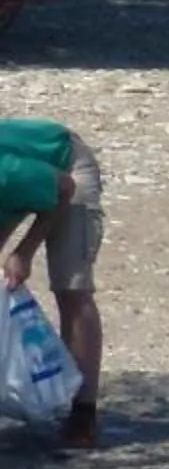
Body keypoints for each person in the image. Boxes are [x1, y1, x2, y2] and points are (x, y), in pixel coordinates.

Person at [1, 116, 103, 449]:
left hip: (66, 168)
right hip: (23, 185)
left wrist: (24, 252)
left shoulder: (8, 172)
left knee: (71, 287)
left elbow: (64, 189)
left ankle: (83, 411)